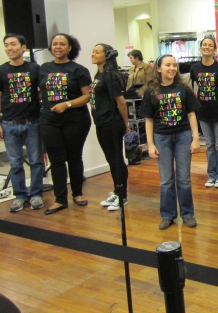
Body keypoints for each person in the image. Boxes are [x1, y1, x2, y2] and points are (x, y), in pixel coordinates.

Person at [141, 54, 201, 230]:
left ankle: (188, 214)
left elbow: (191, 114)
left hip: (182, 136)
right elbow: (149, 119)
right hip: (162, 138)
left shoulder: (184, 88)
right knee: (166, 180)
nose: (172, 68)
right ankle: (167, 216)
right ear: (158, 69)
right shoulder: (151, 91)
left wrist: (195, 138)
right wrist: (150, 144)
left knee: (184, 179)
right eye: (168, 65)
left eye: (174, 65)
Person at [39, 33, 92, 215]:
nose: (58, 47)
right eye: (55, 44)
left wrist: (66, 104)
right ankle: (60, 199)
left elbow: (87, 96)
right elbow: (41, 92)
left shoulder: (79, 70)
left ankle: (77, 193)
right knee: (56, 160)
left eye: (62, 44)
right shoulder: (43, 68)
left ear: (70, 48)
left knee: (74, 157)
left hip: (76, 120)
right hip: (49, 121)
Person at [0, 34, 45, 212]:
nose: (9, 48)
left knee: (35, 161)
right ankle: (19, 196)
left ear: (23, 47)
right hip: (9, 123)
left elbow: (41, 93)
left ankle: (36, 195)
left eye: (13, 44)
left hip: (33, 121)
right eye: (6, 45)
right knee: (15, 162)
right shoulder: (1, 70)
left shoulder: (35, 69)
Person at [90, 44, 131, 211]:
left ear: (106, 56)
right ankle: (117, 190)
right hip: (100, 122)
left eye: (97, 52)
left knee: (116, 159)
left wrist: (126, 124)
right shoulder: (99, 75)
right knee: (110, 159)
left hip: (112, 123)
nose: (93, 54)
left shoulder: (110, 76)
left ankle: (123, 195)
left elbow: (121, 103)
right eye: (93, 51)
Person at [190, 37, 218, 188]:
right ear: (200, 48)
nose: (207, 47)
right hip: (203, 112)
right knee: (209, 145)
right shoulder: (194, 68)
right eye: (204, 45)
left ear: (214, 49)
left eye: (210, 45)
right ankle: (211, 175)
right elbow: (195, 89)